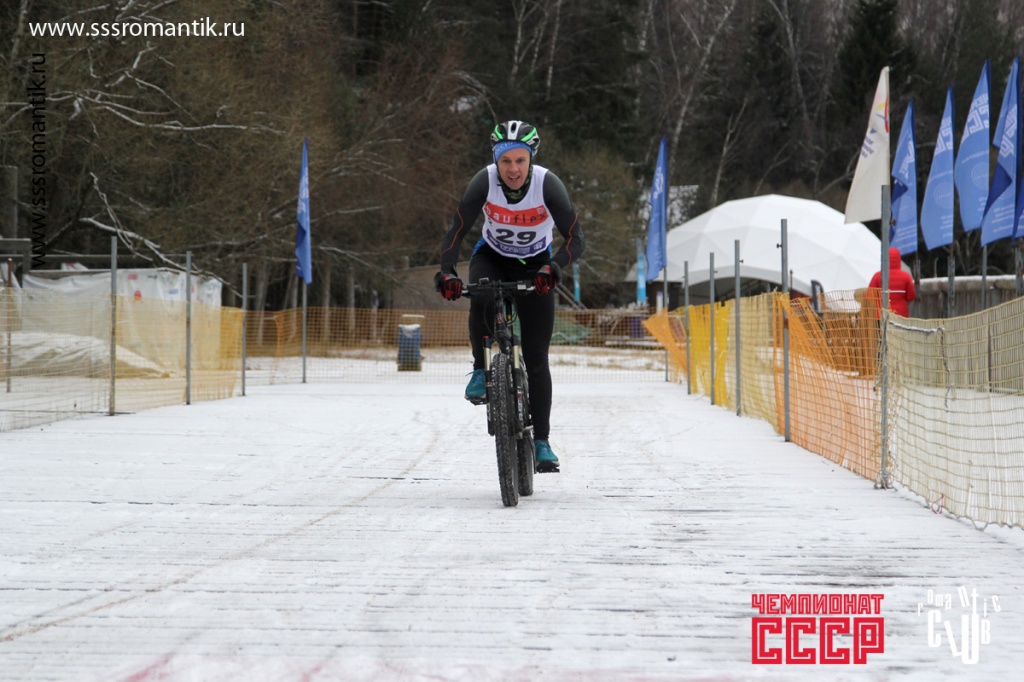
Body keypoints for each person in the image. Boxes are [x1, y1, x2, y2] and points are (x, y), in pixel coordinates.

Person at [434, 120, 585, 472]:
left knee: (537, 357)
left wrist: (554, 267)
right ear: (495, 161)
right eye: (505, 161)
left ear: (531, 159)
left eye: (520, 160)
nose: (513, 169)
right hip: (493, 258)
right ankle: (479, 369)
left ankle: (542, 441)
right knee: (481, 295)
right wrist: (447, 272)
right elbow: (456, 229)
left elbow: (576, 238)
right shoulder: (484, 181)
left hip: (536, 265)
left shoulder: (548, 184)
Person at [867, 246, 917, 318]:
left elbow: (870, 297)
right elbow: (911, 297)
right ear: (899, 259)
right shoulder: (906, 276)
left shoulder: (877, 276)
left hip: (881, 314)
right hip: (901, 315)